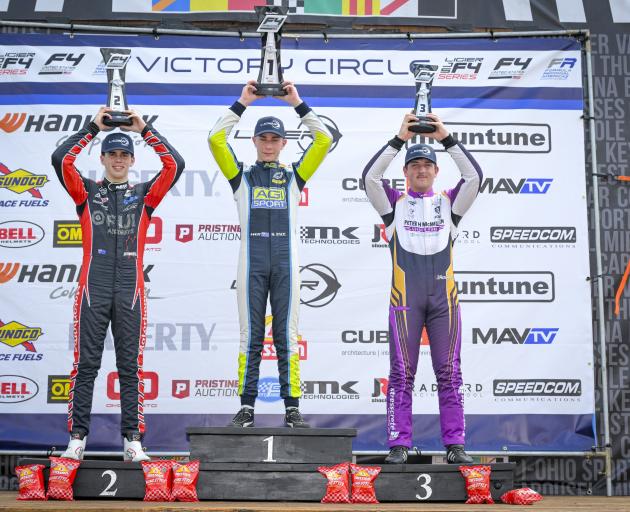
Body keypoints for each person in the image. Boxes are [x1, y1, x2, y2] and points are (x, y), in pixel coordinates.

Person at [51, 107, 185, 461]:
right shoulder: (86, 192)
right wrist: (91, 128)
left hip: (131, 292)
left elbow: (175, 166)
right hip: (92, 289)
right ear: (103, 157)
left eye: (125, 154)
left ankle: (133, 441)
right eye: (113, 154)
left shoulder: (144, 196)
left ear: (131, 158)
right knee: (86, 366)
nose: (119, 160)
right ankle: (77, 439)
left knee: (130, 367)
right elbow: (61, 159)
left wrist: (145, 130)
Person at [208, 80, 332, 428]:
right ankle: (247, 408)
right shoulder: (241, 177)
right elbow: (216, 140)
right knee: (251, 337)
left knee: (286, 337)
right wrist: (243, 102)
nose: (268, 144)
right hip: (252, 266)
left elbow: (323, 139)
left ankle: (292, 408)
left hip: (286, 266)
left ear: (283, 143)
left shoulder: (295, 175)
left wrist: (297, 102)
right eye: (263, 138)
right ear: (254, 141)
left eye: (274, 139)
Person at [363, 112, 482, 464]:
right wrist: (399, 138)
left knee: (450, 372)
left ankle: (455, 446)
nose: (420, 170)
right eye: (414, 165)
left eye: (427, 166)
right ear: (405, 173)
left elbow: (475, 176)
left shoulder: (450, 204)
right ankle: (399, 444)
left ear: (436, 171)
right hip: (405, 301)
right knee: (402, 372)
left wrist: (446, 137)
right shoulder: (393, 205)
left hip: (445, 301)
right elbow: (369, 177)